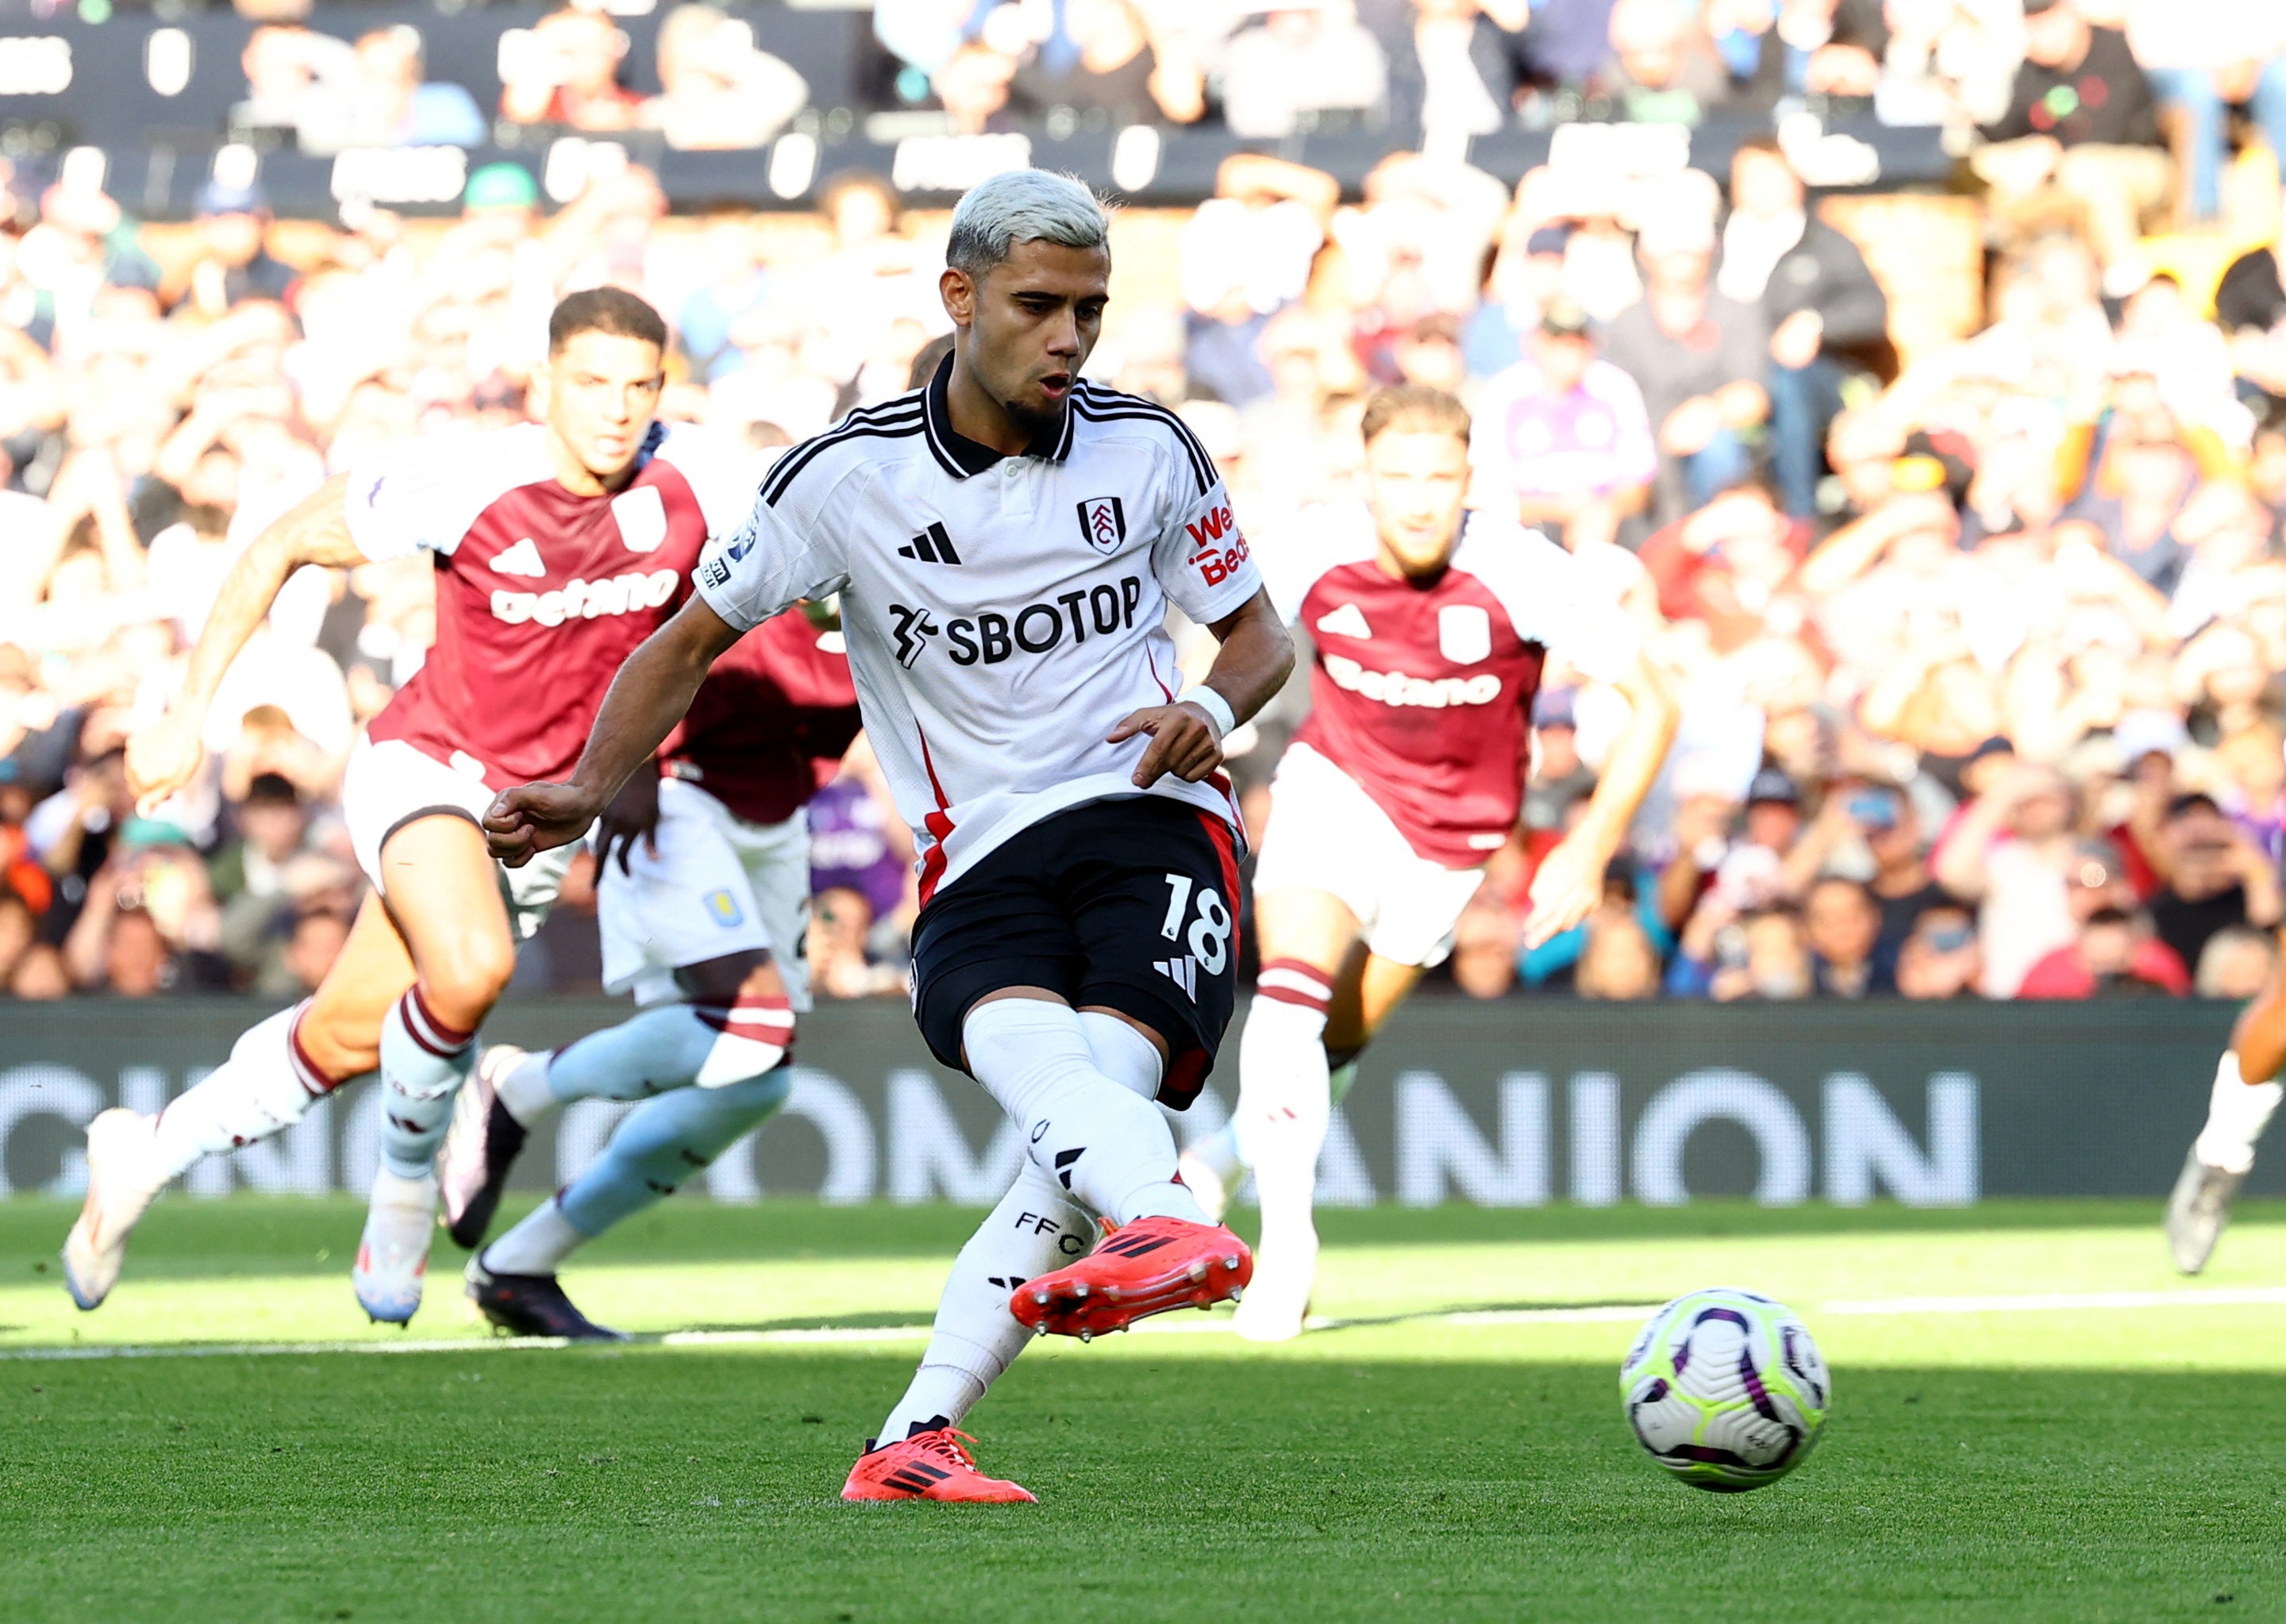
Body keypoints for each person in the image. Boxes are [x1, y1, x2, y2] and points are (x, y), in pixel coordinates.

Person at [482, 171, 1299, 1503]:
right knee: (1069, 1130)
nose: (1069, 338)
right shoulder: (840, 481)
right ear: (960, 298)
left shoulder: (1151, 447)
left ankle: (1171, 1224)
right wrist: (583, 786)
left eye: (1090, 311)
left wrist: (1208, 703)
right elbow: (683, 643)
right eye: (1040, 306)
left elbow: (1260, 632)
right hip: (973, 859)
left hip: (1153, 821)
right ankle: (917, 1435)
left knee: (1094, 1092)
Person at [61, 289, 770, 1326]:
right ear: (545, 385)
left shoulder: (704, 477)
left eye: (640, 385)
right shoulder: (471, 477)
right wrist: (184, 713)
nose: (618, 409)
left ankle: (143, 1152)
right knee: (475, 966)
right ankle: (401, 1196)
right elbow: (276, 545)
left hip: (546, 809)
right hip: (428, 766)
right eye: (592, 383)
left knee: (347, 1038)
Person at [1174, 383, 1678, 1338]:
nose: (1417, 498)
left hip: (1451, 846)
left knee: (1335, 1045)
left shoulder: (1524, 570)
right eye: (1397, 476)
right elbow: (1231, 639)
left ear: (1469, 481)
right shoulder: (1313, 546)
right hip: (1334, 788)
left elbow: (1656, 702)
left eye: (1438, 477)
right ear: (1364, 477)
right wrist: (1206, 715)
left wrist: (1589, 842)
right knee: (1289, 991)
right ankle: (1285, 1251)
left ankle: (1215, 1168)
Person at [439, 602, 862, 1338]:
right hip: (678, 796)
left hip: (776, 816)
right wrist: (626, 767)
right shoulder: (778, 549)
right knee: (754, 1022)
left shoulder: (911, 584)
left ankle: (518, 1268)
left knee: (758, 1081)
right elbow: (642, 635)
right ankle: (518, 1085)